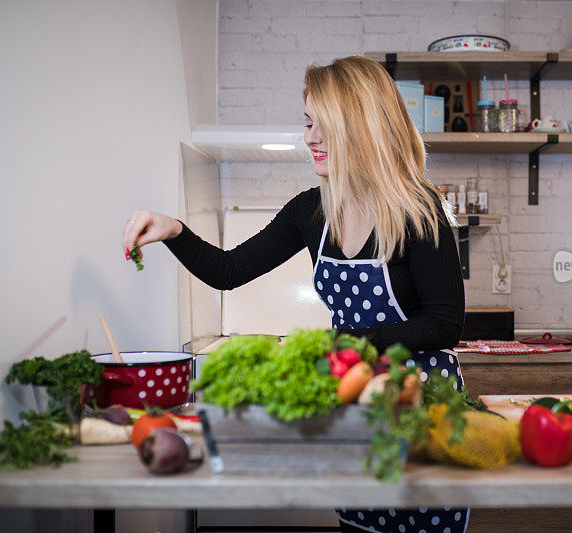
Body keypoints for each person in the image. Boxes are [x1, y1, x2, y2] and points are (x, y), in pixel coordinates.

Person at [122, 55, 468, 533]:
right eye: (307, 124)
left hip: (423, 404)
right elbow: (229, 269)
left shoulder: (418, 210)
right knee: (362, 524)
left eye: (320, 124)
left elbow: (447, 324)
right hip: (355, 404)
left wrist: (349, 345)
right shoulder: (310, 212)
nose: (308, 137)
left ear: (359, 126)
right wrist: (174, 230)